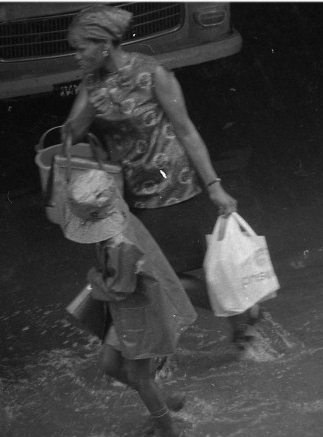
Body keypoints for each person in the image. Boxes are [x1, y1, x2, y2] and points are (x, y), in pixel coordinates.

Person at [62, 5, 266, 355]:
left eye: (81, 48)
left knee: (166, 273)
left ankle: (239, 323)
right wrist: (89, 101)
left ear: (105, 44)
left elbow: (186, 130)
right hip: (135, 194)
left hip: (175, 183)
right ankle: (241, 316)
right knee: (162, 275)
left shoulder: (152, 73)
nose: (77, 56)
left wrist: (214, 186)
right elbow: (70, 136)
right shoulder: (92, 87)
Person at [61, 168, 196, 437]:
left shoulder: (120, 247)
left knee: (138, 374)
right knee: (110, 365)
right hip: (127, 311)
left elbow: (119, 289)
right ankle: (163, 401)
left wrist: (94, 279)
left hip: (139, 313)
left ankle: (170, 431)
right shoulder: (115, 212)